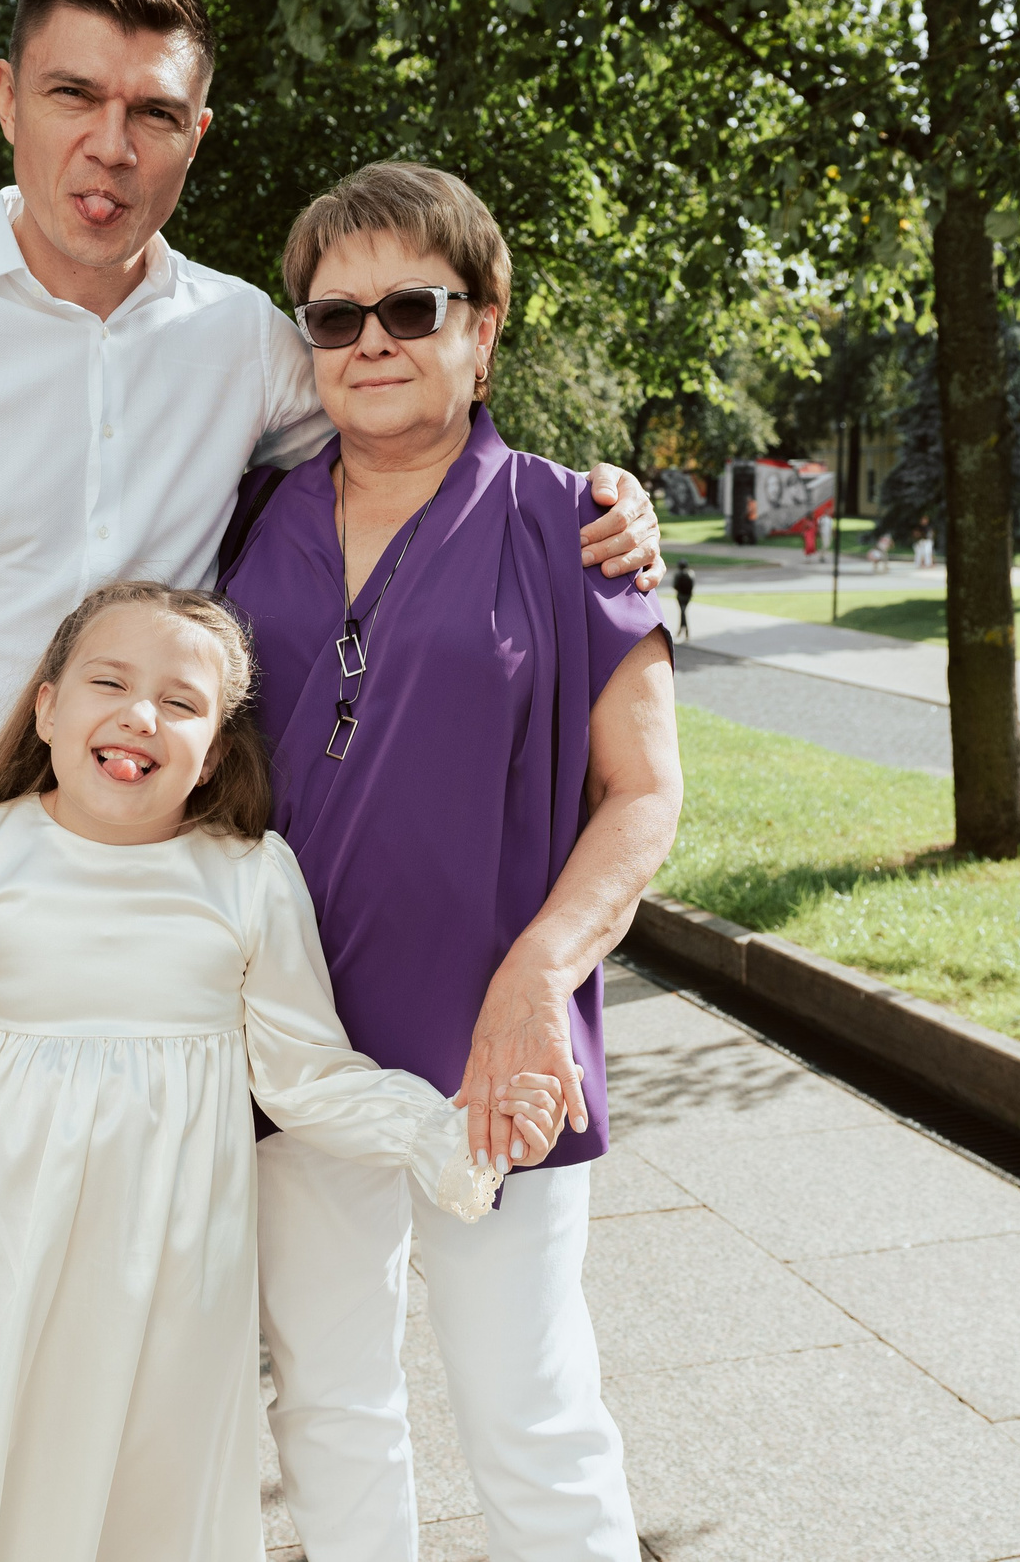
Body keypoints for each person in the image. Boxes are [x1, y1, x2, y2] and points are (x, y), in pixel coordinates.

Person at [0, 0, 660, 1561]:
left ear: (195, 133)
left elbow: (414, 439)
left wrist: (616, 515)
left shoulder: (246, 339)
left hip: (166, 872)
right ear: (8, 98)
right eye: (75, 94)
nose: (111, 140)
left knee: (147, 1309)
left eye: (152, 110)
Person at [0, 582, 561, 1560]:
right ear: (46, 706)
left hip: (177, 1290)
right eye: (108, 681)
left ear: (212, 751)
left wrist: (446, 1128)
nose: (138, 713)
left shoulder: (247, 876)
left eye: (180, 700)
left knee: (154, 1515)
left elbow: (305, 1074)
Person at [219, 163, 681, 1562]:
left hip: (500, 1049)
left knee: (528, 1405)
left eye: (410, 308)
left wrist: (540, 974)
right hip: (295, 1050)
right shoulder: (245, 520)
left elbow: (644, 793)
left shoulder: (575, 528)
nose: (369, 342)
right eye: (334, 315)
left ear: (484, 328)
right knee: (332, 1406)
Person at [671, 560, 695, 641]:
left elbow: (675, 585)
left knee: (682, 613)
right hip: (687, 596)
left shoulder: (678, 574)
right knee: (683, 612)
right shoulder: (691, 574)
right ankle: (684, 631)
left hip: (680, 596)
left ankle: (683, 631)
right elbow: (692, 585)